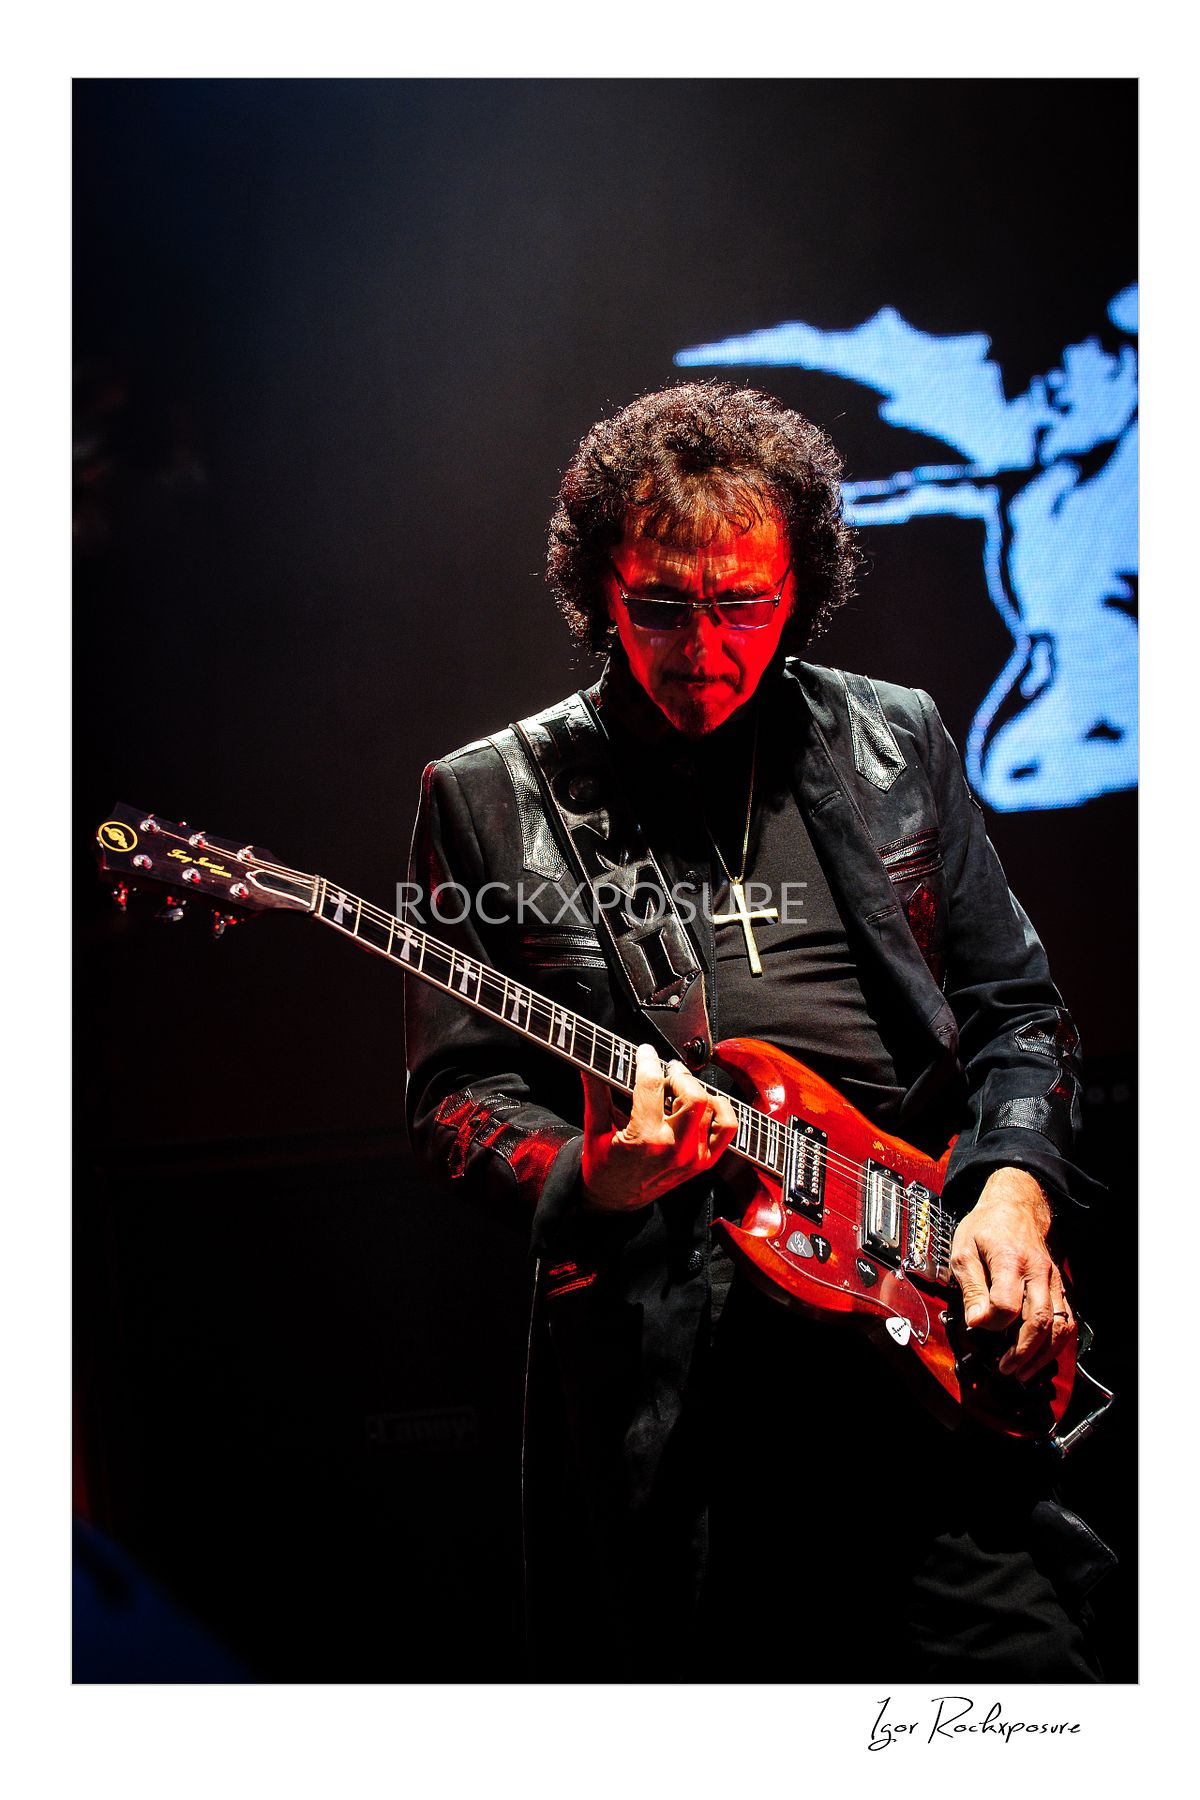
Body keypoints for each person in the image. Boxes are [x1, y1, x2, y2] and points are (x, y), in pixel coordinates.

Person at [403, 383, 1113, 1682]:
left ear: (801, 587)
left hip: (924, 1329)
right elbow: (456, 1098)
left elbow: (1021, 1012)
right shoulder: (495, 798)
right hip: (680, 1384)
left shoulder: (893, 739)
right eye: (661, 608)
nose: (704, 648)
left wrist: (1012, 1191)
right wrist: (594, 1174)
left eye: (742, 606)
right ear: (600, 588)